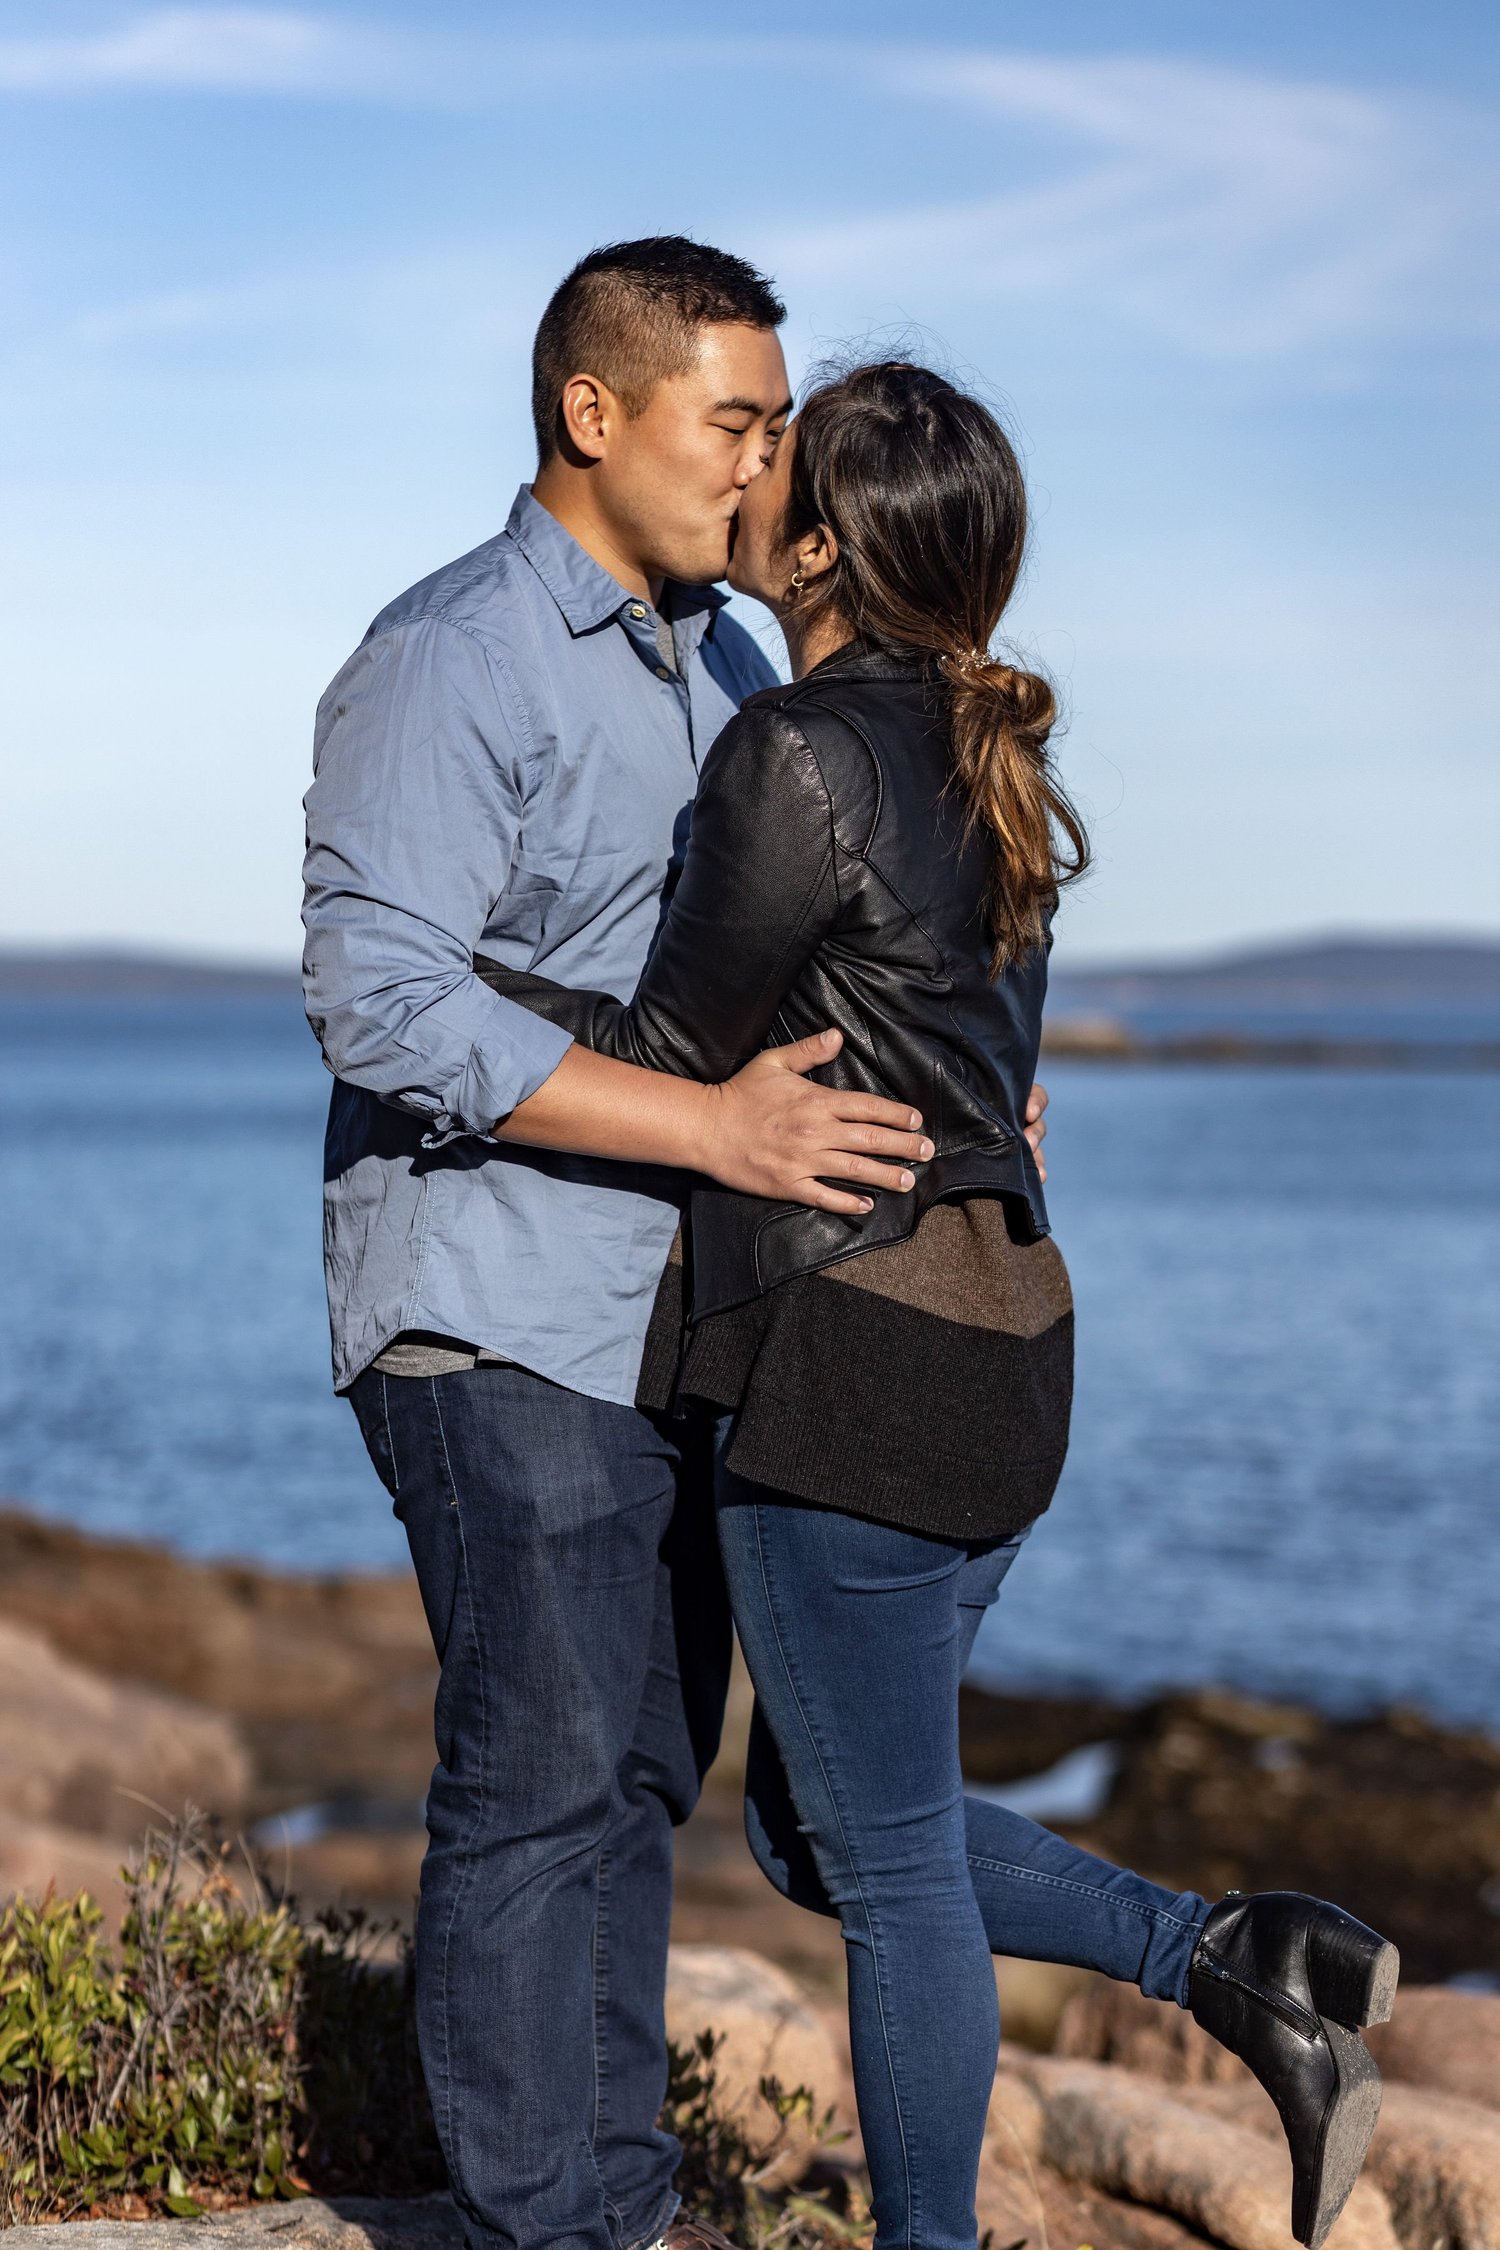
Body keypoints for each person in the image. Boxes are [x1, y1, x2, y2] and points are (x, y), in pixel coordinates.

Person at [471, 359, 1401, 2250]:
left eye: (773, 461)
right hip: (1008, 1352)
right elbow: (979, 1074)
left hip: (854, 1362)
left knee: (882, 1868)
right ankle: (1239, 1959)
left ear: (817, 543)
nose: (738, 470)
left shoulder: (796, 751)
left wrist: (468, 986)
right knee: (821, 1832)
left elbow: (671, 1054)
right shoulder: (998, 764)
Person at [302, 239, 1050, 2250]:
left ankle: (611, 2203)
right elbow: (381, 1003)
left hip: (687, 1333)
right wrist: (710, 1122)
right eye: (736, 422)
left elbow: (829, 957)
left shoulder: (726, 666)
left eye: (771, 434)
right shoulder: (453, 654)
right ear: (594, 413)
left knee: (638, 1782)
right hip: (497, 1301)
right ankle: (556, 2222)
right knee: (545, 1786)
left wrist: (957, 1097)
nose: (758, 470)